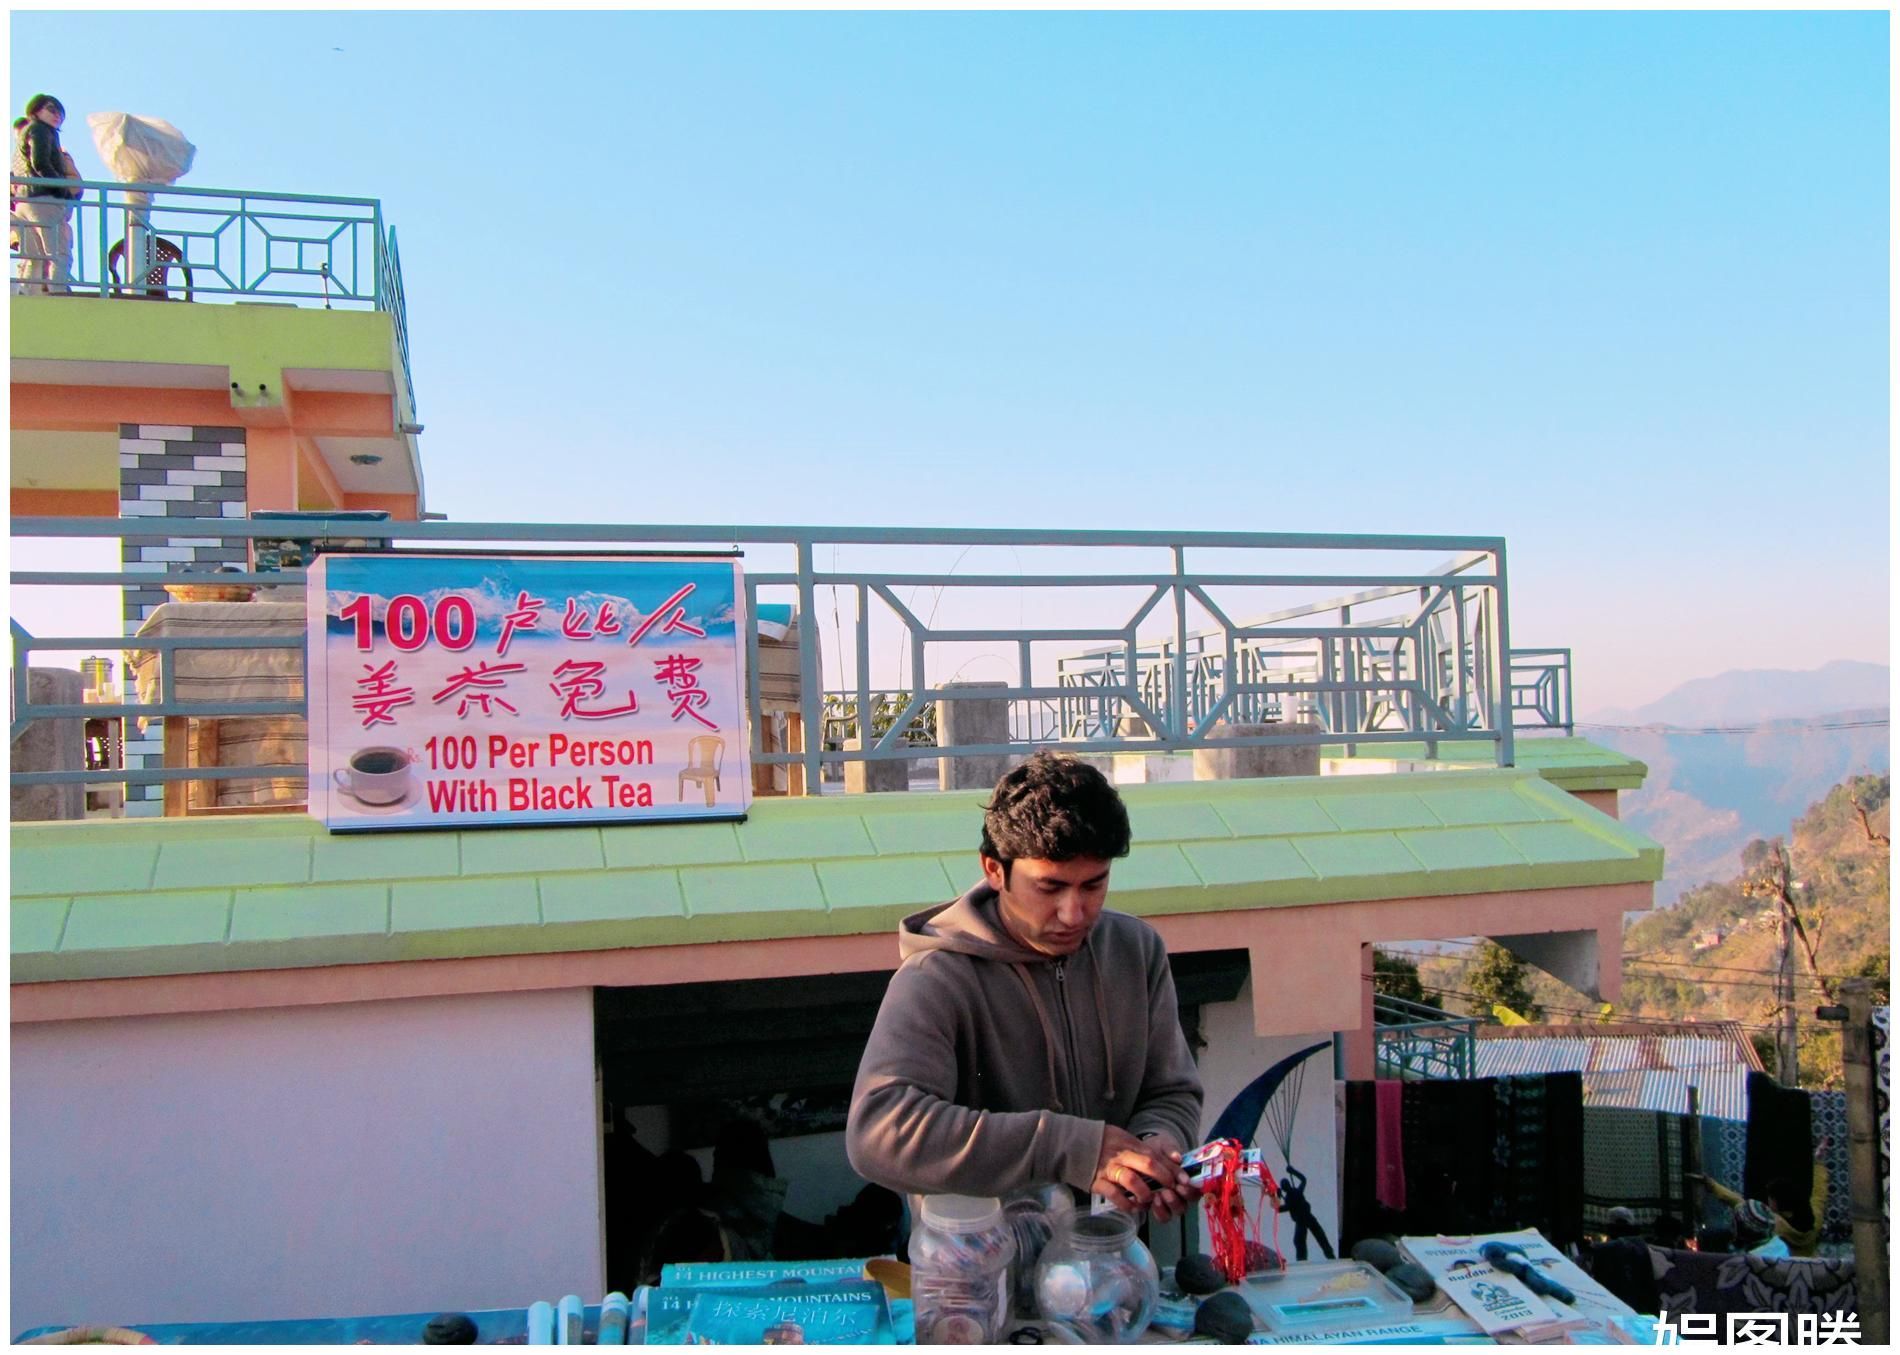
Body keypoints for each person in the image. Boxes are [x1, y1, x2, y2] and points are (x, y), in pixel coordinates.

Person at [846, 751, 1205, 1223]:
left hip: (1111, 1267)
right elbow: (878, 1132)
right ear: (995, 869)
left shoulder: (1137, 950)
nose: (1074, 913)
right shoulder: (936, 978)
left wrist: (1158, 1147)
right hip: (981, 1278)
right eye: (1050, 887)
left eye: (1094, 885)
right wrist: (1071, 1148)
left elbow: (1172, 1092)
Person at [1690, 1135, 1828, 1257]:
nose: (1768, 1202)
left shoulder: (1773, 1222)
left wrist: (1713, 1186)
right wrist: (1819, 1162)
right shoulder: (1814, 1219)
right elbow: (1819, 1193)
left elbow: (1740, 1204)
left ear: (1779, 1202)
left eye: (1771, 1198)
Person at [13, 94, 77, 293]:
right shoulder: (41, 130)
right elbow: (40, 162)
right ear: (36, 110)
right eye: (51, 109)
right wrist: (61, 190)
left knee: (36, 254)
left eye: (60, 112)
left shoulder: (28, 132)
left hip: (25, 200)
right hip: (42, 199)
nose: (57, 115)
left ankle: (30, 294)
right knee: (59, 253)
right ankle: (56, 295)